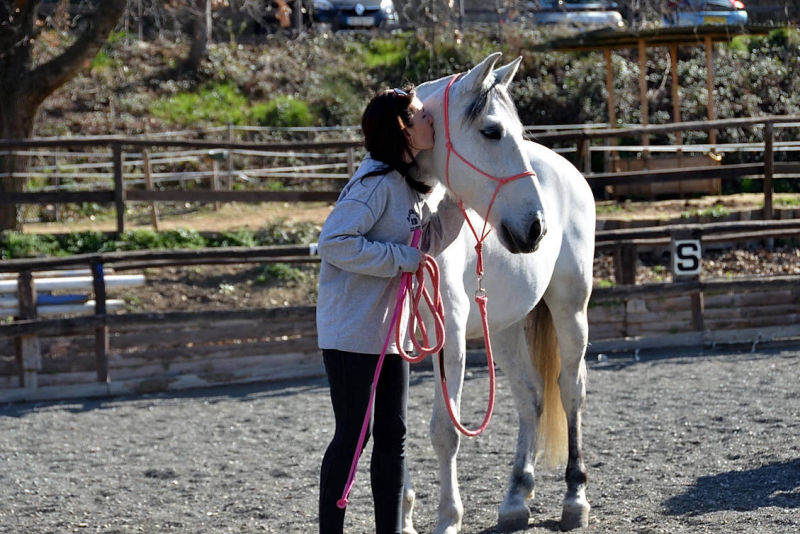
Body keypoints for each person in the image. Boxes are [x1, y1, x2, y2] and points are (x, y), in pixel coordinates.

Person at [316, 86, 461, 534]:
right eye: (421, 116)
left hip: (390, 333)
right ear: (403, 130)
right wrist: (400, 259)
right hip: (353, 332)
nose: (430, 120)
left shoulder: (408, 184)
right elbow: (334, 242)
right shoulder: (375, 184)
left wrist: (460, 201)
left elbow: (424, 243)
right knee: (353, 437)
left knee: (393, 435)